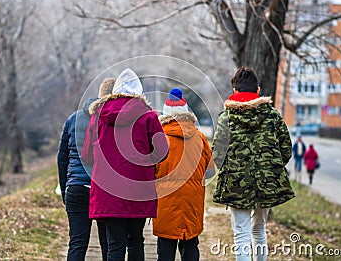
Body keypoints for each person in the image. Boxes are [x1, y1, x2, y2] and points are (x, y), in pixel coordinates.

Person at [81, 68, 168, 261]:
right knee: (136, 241)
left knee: (115, 245)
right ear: (139, 92)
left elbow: (87, 154)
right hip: (138, 189)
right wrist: (146, 161)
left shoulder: (97, 117)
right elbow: (162, 152)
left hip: (108, 190)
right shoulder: (149, 116)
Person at [212, 67, 295, 261]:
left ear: (235, 92)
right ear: (257, 90)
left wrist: (231, 168)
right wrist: (270, 167)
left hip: (236, 183)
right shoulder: (273, 116)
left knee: (241, 233)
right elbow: (286, 149)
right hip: (266, 183)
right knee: (259, 229)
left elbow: (217, 154)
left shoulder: (227, 118)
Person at [57, 78, 116, 261]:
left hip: (76, 187)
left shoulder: (73, 119)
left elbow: (62, 158)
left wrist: (65, 187)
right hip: (103, 190)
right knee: (108, 243)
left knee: (77, 242)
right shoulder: (115, 122)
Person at [153, 88, 214, 261]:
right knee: (190, 244)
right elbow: (210, 171)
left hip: (166, 202)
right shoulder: (200, 138)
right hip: (192, 201)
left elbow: (151, 172)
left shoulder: (159, 139)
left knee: (165, 245)